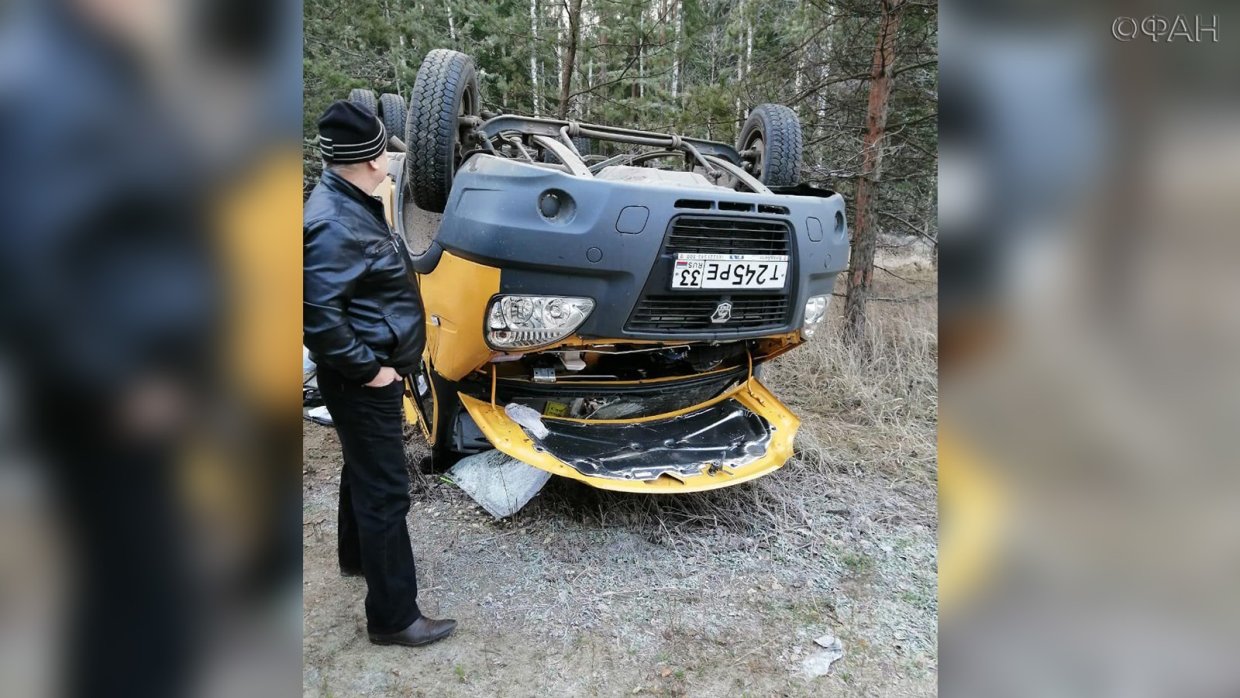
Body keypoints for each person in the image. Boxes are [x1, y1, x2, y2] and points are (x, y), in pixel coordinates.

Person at [303, 100, 456, 647]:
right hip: (362, 380)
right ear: (369, 160)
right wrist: (372, 373)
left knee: (362, 468)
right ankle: (394, 618)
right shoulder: (329, 221)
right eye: (385, 155)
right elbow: (316, 317)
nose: (392, 164)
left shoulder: (348, 198)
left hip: (363, 375)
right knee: (387, 491)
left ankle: (355, 558)